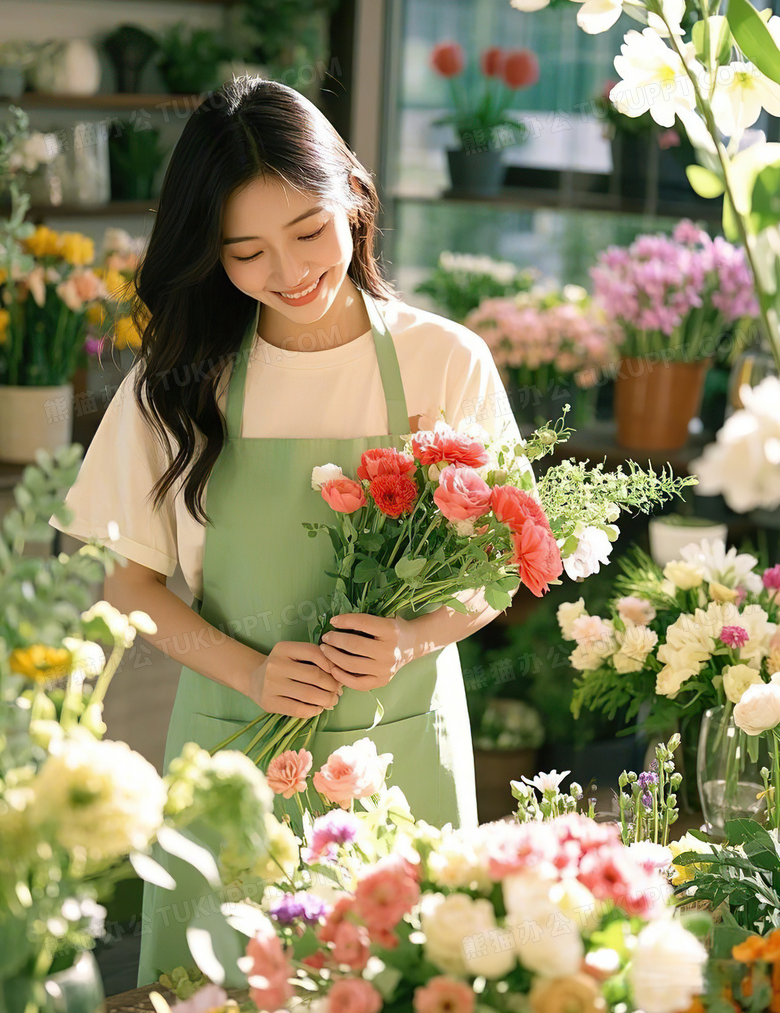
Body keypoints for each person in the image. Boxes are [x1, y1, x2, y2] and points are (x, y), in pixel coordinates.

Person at [48, 76, 524, 985]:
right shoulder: (185, 379)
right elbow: (128, 584)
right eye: (245, 252)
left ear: (352, 191)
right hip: (234, 748)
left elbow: (498, 570)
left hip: (402, 744)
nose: (290, 270)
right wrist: (252, 672)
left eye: (308, 231)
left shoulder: (444, 360)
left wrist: (413, 638)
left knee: (399, 984)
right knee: (222, 986)